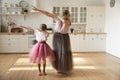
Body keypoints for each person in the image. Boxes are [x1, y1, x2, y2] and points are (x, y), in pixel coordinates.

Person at [33, 7, 73, 75]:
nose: (65, 15)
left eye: (65, 14)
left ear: (67, 15)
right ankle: (59, 69)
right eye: (64, 14)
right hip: (57, 36)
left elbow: (64, 21)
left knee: (64, 53)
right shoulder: (57, 18)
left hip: (64, 37)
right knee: (57, 53)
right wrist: (38, 9)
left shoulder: (68, 21)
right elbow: (47, 13)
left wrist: (57, 15)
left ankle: (64, 69)